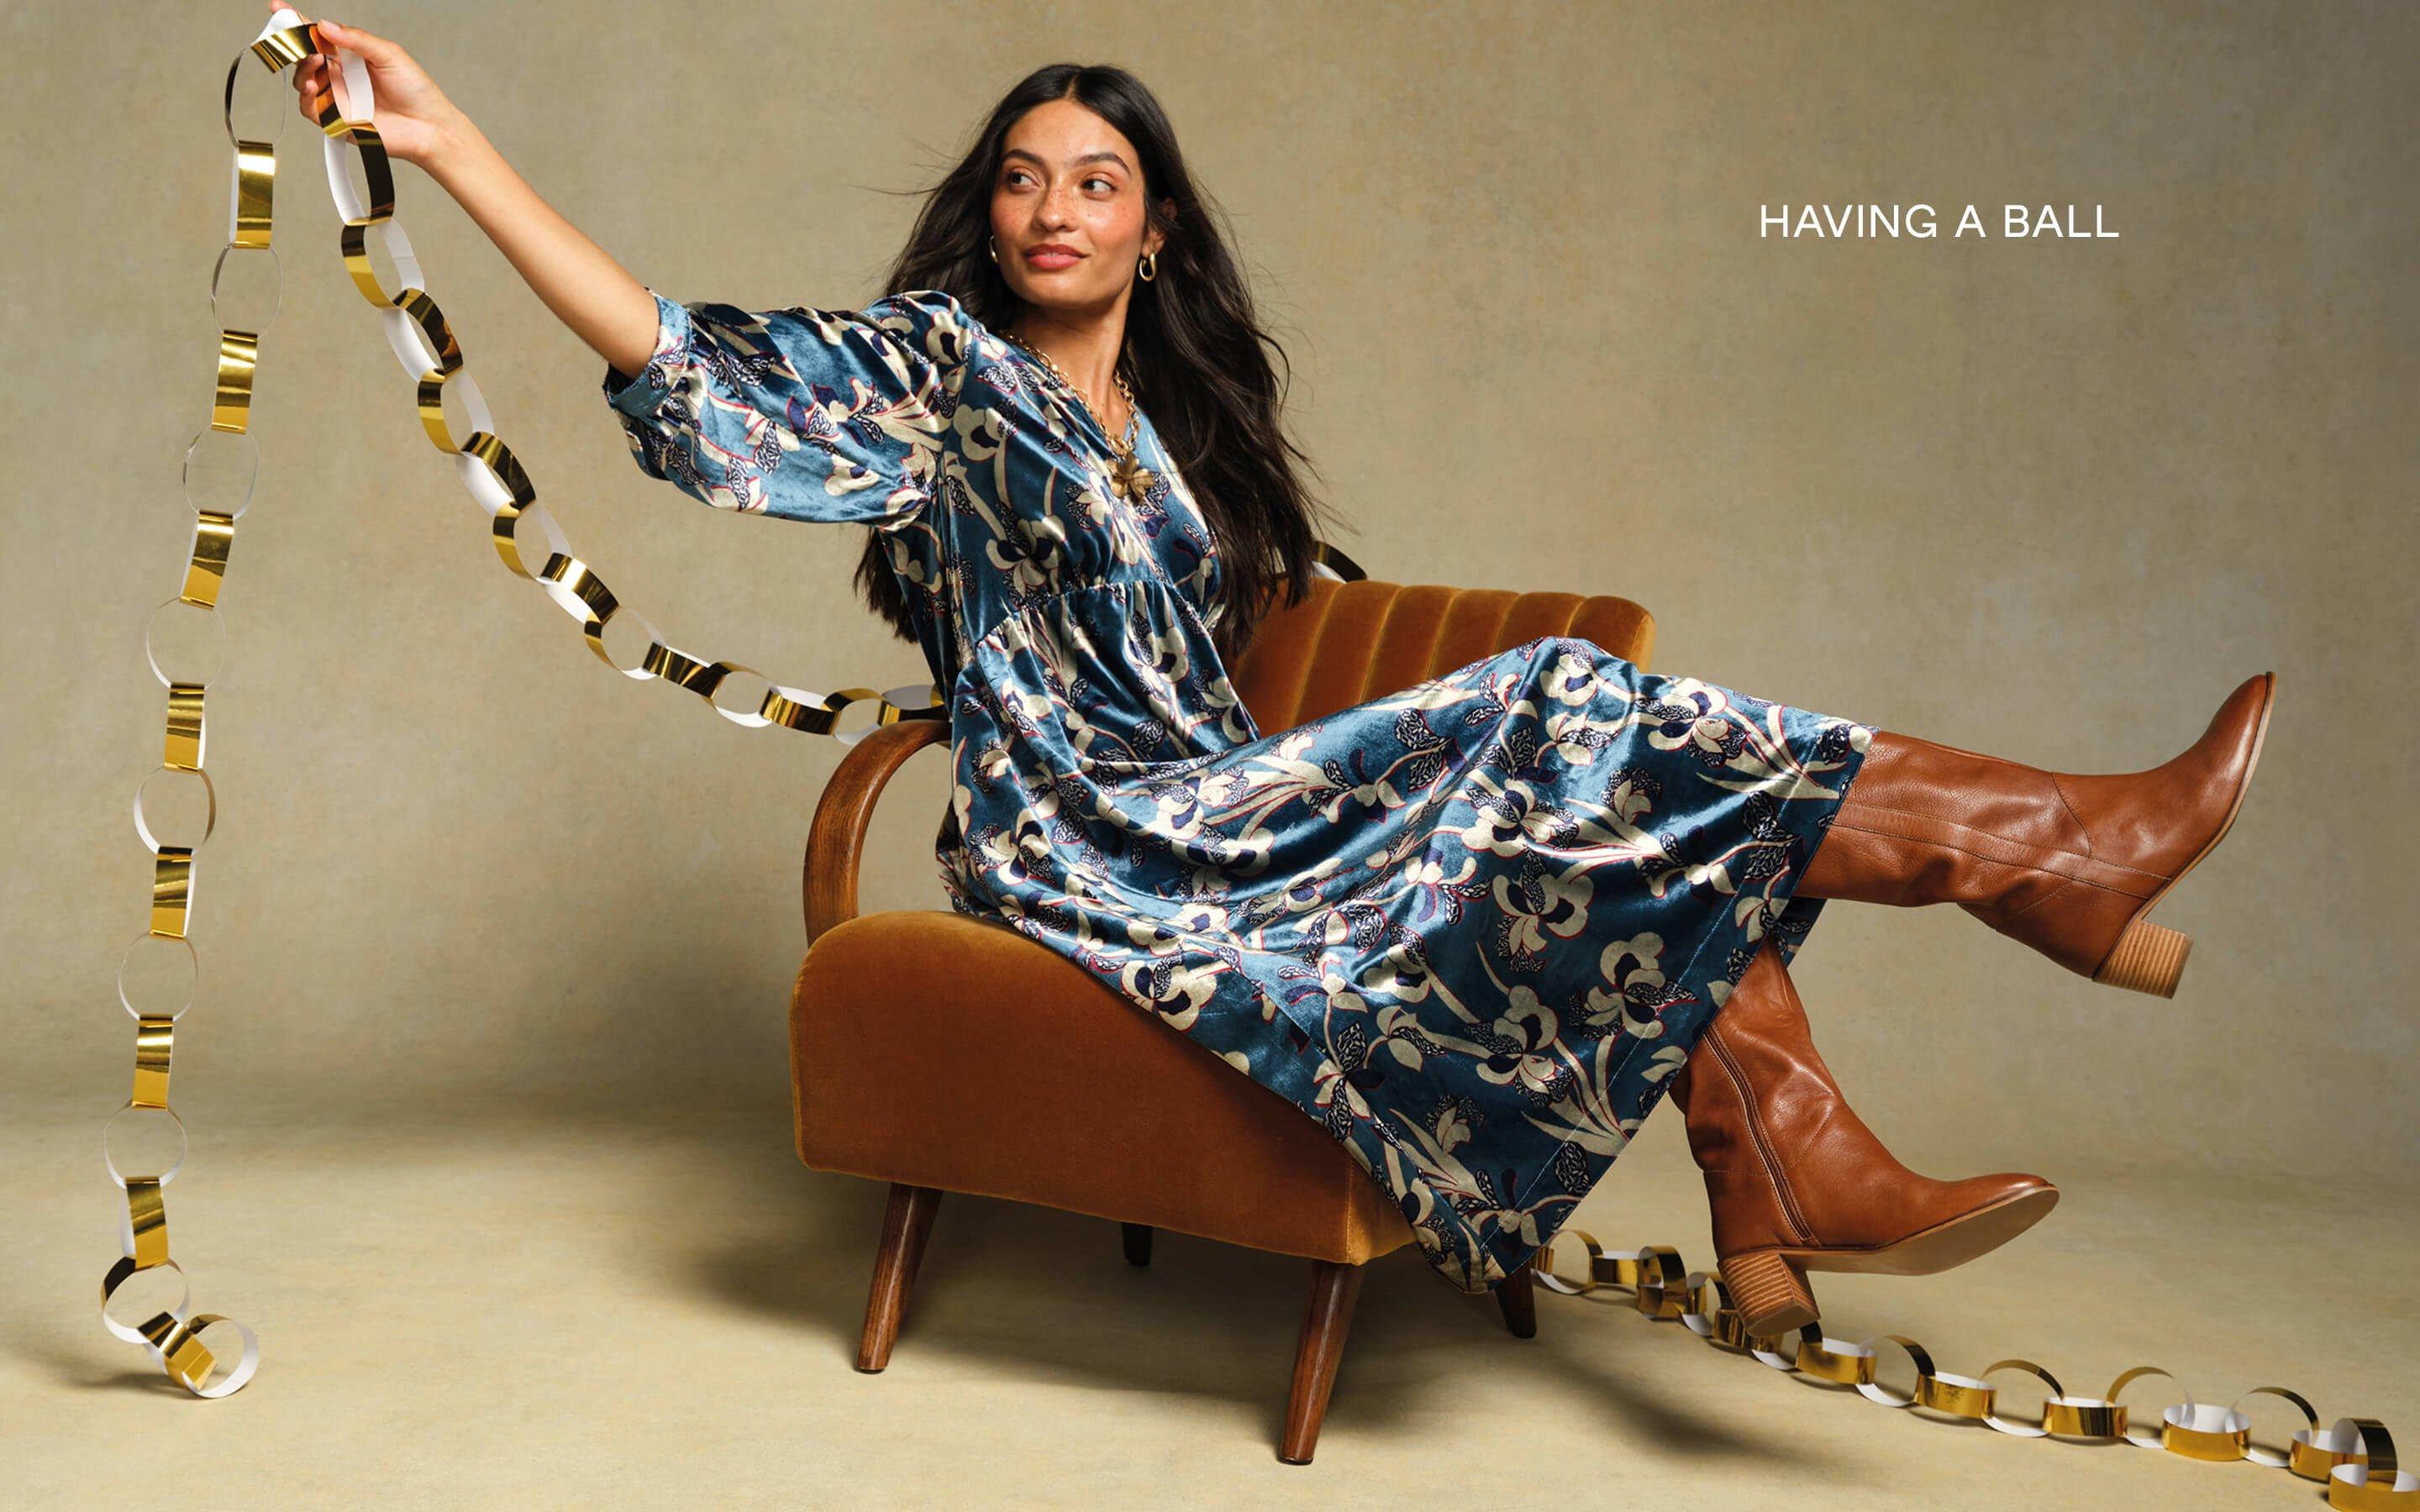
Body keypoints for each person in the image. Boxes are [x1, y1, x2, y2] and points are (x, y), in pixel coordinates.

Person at [281, 14, 2274, 1337]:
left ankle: (1782, 1176)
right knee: (1560, 699)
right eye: (1021, 177)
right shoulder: (942, 378)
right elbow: (677, 352)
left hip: (1228, 813)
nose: (1051, 208)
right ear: (989, 214)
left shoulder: (1173, 435)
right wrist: (450, 144)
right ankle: (2046, 860)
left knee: (1603, 780)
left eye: (1096, 181)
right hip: (1095, 843)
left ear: (1153, 234)